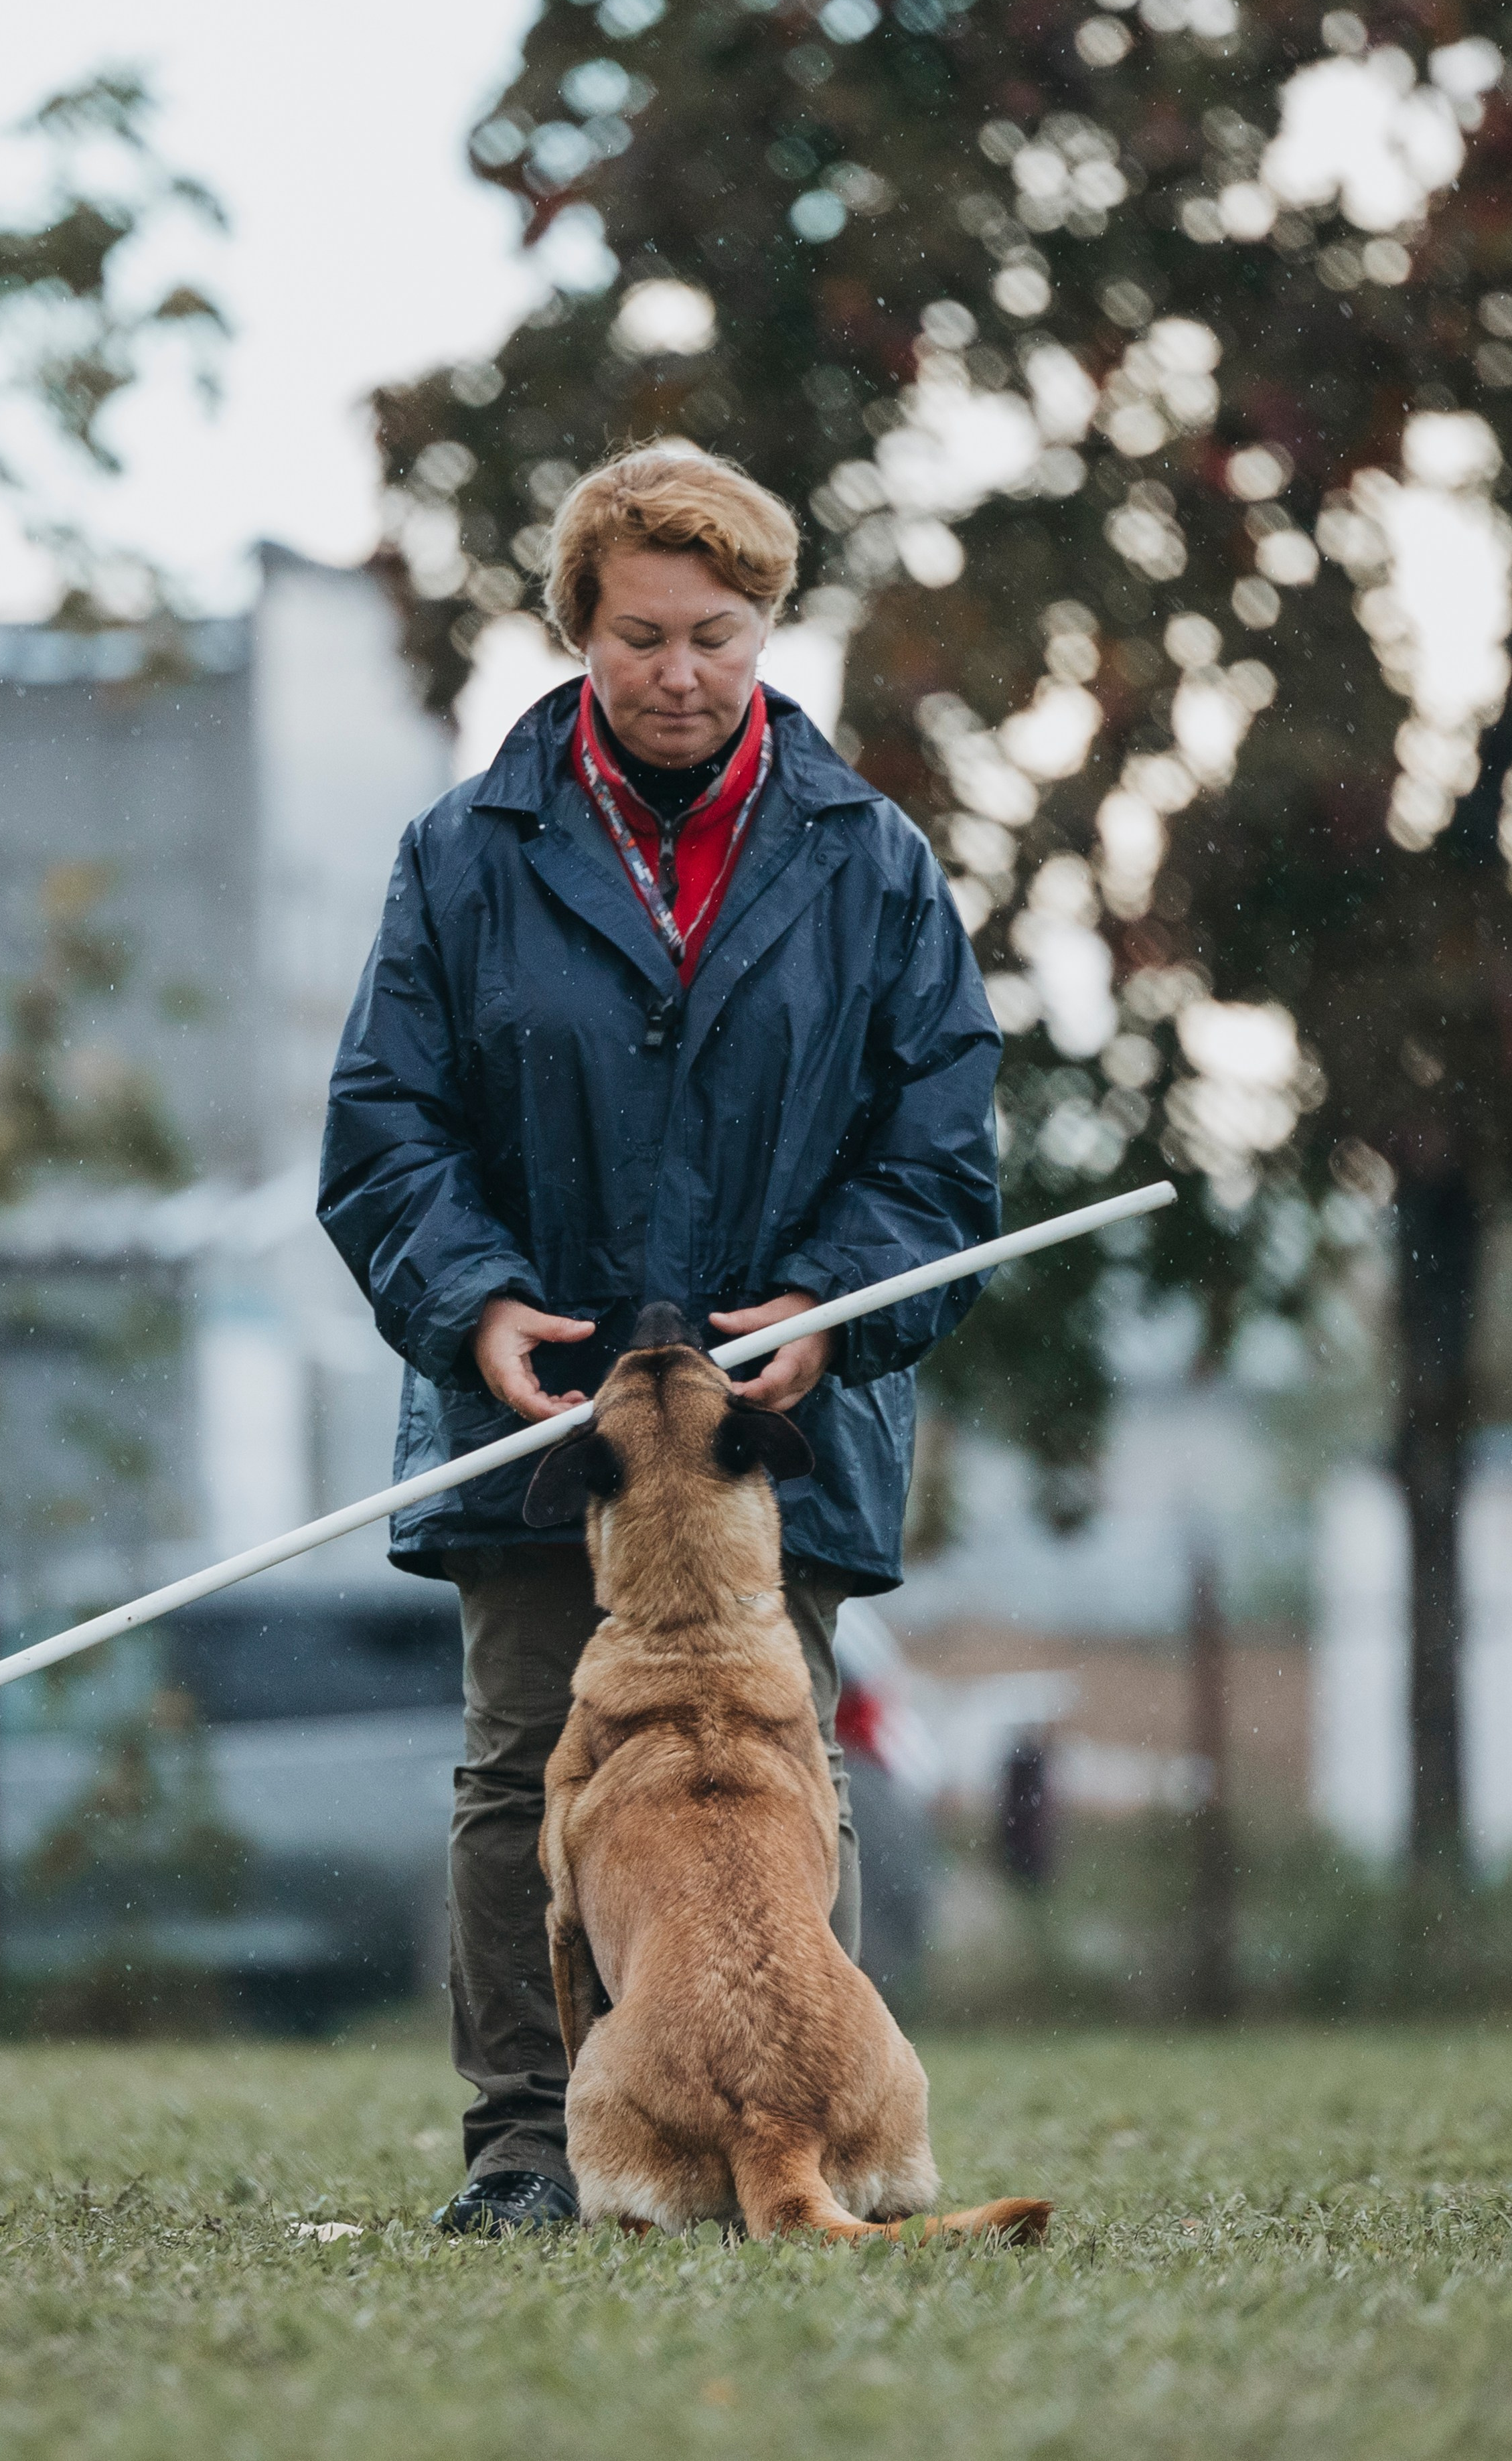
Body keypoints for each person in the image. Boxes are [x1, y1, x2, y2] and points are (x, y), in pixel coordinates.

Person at [318, 445, 1001, 2233]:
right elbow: (386, 1123)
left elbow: (941, 1146)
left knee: (781, 1782)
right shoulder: (464, 857)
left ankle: (814, 2130)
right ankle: (534, 2148)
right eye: (640, 637)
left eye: (717, 633)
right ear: (578, 631)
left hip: (777, 1429)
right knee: (517, 1762)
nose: (680, 672)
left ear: (767, 627)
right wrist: (468, 1303)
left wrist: (836, 1306)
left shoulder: (870, 865)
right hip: (537, 1413)